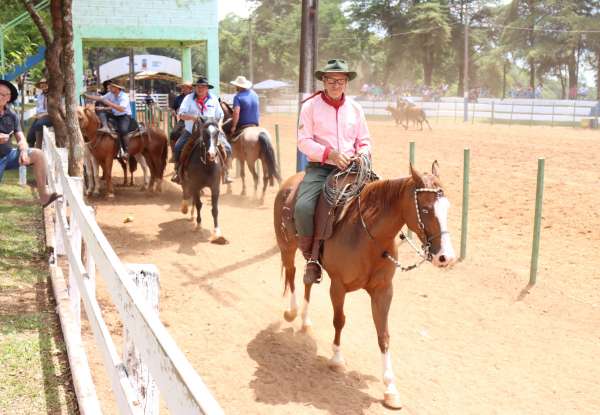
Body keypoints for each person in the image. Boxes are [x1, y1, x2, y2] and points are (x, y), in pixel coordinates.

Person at [295, 58, 372, 284]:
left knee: (379, 199)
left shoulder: (356, 109)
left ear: (346, 82)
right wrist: (330, 154)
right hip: (321, 168)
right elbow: (303, 141)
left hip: (353, 168)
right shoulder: (310, 107)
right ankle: (311, 258)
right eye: (331, 80)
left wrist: (363, 155)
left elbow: (365, 140)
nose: (336, 84)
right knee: (303, 207)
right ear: (324, 81)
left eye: (340, 80)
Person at [0, 79, 61, 207]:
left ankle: (44, 197)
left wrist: (23, 151)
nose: (0, 96)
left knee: (38, 154)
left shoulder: (11, 115)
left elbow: (20, 136)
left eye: (3, 94)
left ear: (9, 98)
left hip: (7, 155)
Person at [172, 77, 232, 184]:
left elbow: (221, 115)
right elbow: (180, 114)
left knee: (227, 147)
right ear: (195, 88)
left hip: (211, 132)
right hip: (192, 131)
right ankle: (178, 171)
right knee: (177, 147)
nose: (200, 89)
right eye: (198, 87)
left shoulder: (214, 99)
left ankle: (226, 172)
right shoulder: (188, 99)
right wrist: (192, 117)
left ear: (207, 88)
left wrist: (219, 125)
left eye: (203, 87)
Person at [85, 81, 133, 157]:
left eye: (112, 87)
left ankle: (127, 151)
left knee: (123, 130)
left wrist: (109, 104)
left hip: (124, 116)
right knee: (102, 113)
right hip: (115, 115)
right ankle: (105, 127)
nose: (110, 88)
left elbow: (121, 109)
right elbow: (100, 98)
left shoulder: (124, 97)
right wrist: (87, 96)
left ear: (117, 88)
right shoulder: (111, 94)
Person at [26, 78, 53, 148]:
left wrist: (43, 115)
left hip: (50, 115)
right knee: (29, 137)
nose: (43, 86)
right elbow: (39, 108)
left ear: (48, 84)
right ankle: (31, 153)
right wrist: (37, 114)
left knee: (39, 124)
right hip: (40, 116)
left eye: (45, 84)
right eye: (41, 85)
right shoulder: (39, 95)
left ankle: (38, 149)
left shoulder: (53, 95)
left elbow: (55, 110)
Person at [169, 82, 193, 157]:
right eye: (182, 87)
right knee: (173, 133)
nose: (183, 89)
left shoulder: (194, 97)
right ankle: (174, 154)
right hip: (183, 120)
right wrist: (173, 111)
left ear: (190, 89)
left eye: (185, 87)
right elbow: (173, 108)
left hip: (194, 120)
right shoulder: (178, 98)